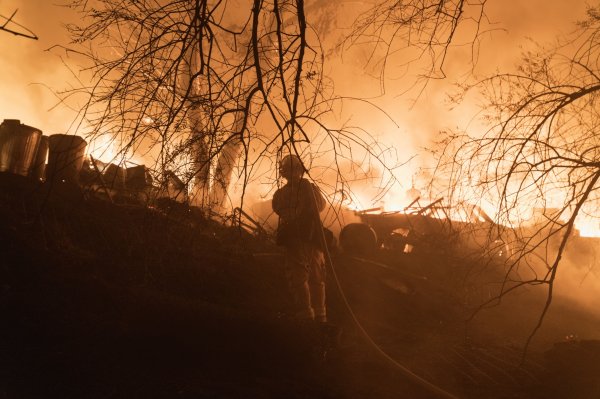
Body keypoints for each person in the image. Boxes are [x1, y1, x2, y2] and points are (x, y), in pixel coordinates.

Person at [272, 154, 327, 322]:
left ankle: (310, 318)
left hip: (299, 239)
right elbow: (321, 206)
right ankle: (315, 319)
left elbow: (280, 210)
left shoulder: (280, 194)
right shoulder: (307, 188)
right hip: (307, 239)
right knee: (312, 278)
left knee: (302, 278)